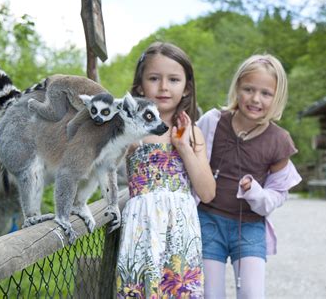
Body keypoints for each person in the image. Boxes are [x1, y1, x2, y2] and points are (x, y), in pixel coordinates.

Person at [196, 54, 302, 298]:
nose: (255, 99)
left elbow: (277, 194)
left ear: (277, 97)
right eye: (248, 89)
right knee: (210, 294)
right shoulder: (212, 122)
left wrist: (255, 192)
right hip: (208, 220)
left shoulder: (279, 140)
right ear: (237, 88)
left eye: (266, 93)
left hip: (250, 227)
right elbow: (189, 160)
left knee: (252, 294)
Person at [116, 42, 216, 298]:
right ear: (140, 86)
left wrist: (183, 146)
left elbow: (207, 193)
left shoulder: (192, 134)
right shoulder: (131, 132)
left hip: (181, 232)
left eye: (173, 79)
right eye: (154, 78)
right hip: (141, 229)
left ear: (186, 88)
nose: (163, 87)